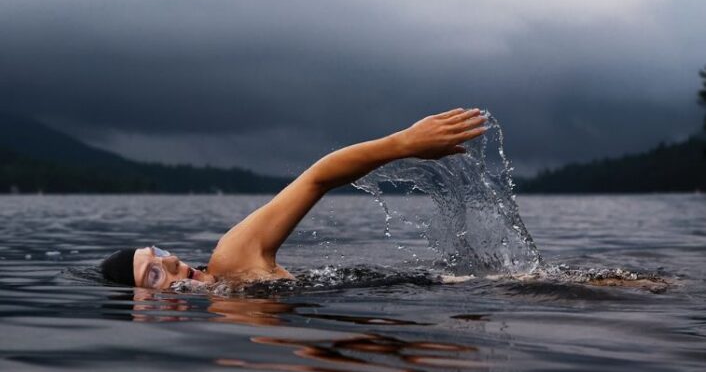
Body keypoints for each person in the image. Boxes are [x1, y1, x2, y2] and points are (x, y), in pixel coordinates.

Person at [101, 108, 487, 289]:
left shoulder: (232, 261)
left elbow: (316, 179)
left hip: (465, 289)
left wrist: (403, 143)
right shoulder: (228, 319)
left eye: (159, 253)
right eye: (153, 274)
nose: (171, 260)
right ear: (144, 309)